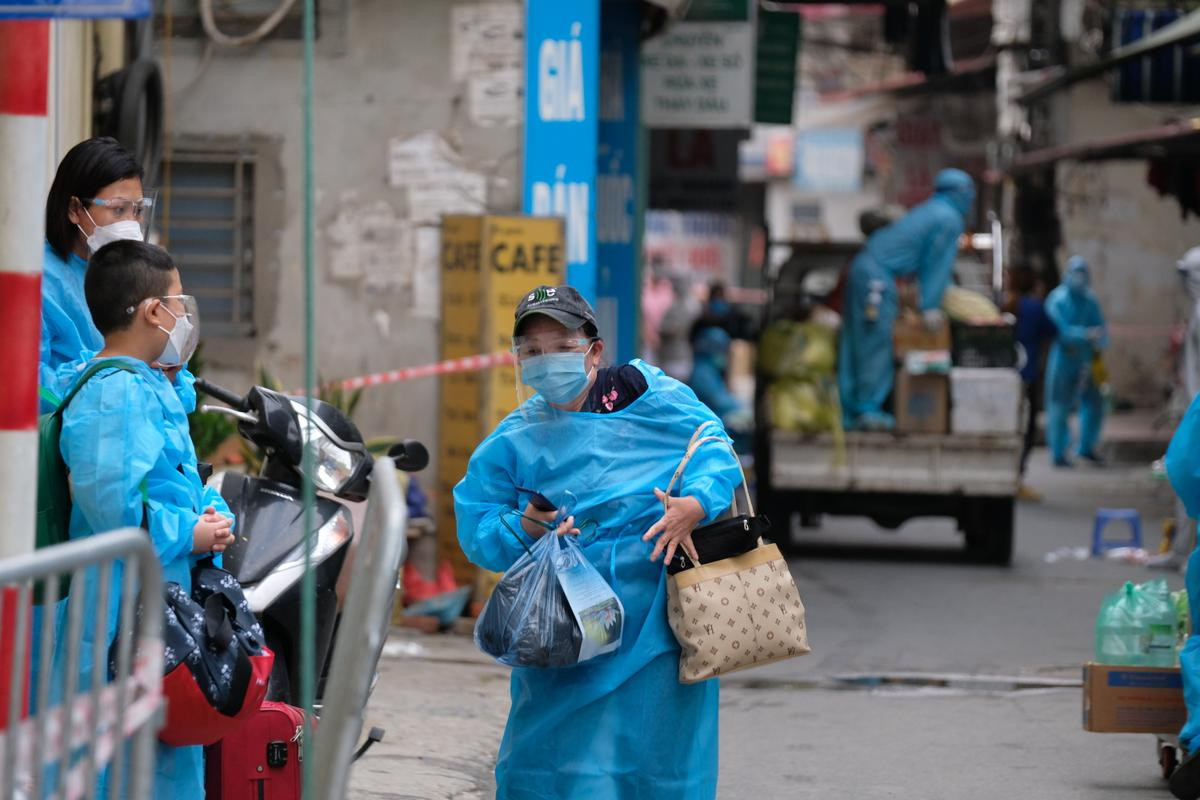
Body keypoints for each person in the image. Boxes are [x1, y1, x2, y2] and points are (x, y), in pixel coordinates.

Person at [454, 285, 742, 799]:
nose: (545, 362)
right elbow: (478, 525)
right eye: (532, 352)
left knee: (658, 753)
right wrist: (527, 524)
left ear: (594, 349)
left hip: (659, 613)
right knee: (553, 756)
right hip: (567, 620)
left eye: (559, 345)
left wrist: (696, 503)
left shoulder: (648, 395)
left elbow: (711, 444)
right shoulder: (518, 435)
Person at [53, 240, 234, 797]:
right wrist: (191, 532)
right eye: (179, 300)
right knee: (121, 768)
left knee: (159, 759)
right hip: (117, 613)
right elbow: (113, 511)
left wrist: (208, 511)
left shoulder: (146, 382)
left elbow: (170, 481)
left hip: (157, 603)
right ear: (155, 310)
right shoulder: (114, 392)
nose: (185, 314)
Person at [38, 137, 191, 410]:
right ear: (75, 209)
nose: (131, 224)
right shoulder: (39, 281)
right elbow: (27, 385)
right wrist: (104, 371)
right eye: (118, 209)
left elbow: (181, 386)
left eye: (138, 211)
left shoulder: (138, 272)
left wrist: (170, 373)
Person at [837, 168, 975, 430]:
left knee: (857, 342)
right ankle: (867, 410)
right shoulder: (948, 218)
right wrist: (930, 307)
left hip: (865, 270)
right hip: (876, 280)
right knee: (874, 343)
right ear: (961, 193)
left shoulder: (930, 210)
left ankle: (849, 411)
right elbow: (937, 266)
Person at [1044, 255, 1108, 467]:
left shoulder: (1090, 300)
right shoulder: (1058, 299)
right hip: (1063, 359)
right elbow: (1059, 331)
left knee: (1095, 402)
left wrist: (1098, 342)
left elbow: (1101, 328)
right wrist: (1084, 335)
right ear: (1067, 275)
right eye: (1076, 273)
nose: (1079, 279)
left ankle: (1087, 446)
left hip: (1087, 358)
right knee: (1059, 405)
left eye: (1083, 274)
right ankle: (1059, 451)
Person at [1006, 265, 1058, 498]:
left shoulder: (1006, 304)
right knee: (1025, 429)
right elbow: (1054, 331)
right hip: (1027, 376)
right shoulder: (1036, 307)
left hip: (1006, 375)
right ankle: (1016, 478)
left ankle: (1009, 475)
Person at [688, 325, 752, 451]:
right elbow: (719, 400)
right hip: (709, 429)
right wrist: (740, 410)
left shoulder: (709, 369)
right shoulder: (703, 373)